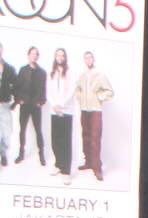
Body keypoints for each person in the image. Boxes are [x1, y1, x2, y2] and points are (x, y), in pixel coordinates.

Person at [74, 51, 114, 181]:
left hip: (95, 110)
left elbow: (110, 92)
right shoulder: (82, 75)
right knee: (85, 136)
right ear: (84, 60)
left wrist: (98, 97)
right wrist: (80, 98)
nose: (88, 60)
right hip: (84, 110)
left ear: (93, 59)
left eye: (90, 58)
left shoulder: (100, 75)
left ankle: (97, 168)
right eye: (86, 58)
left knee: (95, 138)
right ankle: (88, 162)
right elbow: (77, 89)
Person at [47, 48, 77, 185]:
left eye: (62, 55)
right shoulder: (51, 72)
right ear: (55, 57)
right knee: (55, 140)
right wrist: (54, 105)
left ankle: (66, 172)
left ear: (65, 58)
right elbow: (48, 91)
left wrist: (61, 105)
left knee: (65, 141)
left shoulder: (69, 72)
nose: (60, 57)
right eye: (58, 55)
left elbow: (71, 91)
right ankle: (58, 164)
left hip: (66, 111)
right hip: (54, 110)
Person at [13, 46, 45, 167]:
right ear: (28, 55)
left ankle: (41, 155)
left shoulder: (42, 72)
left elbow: (43, 90)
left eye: (36, 54)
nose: (34, 56)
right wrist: (19, 100)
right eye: (32, 54)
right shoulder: (23, 70)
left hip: (36, 106)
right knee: (22, 130)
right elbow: (16, 87)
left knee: (38, 130)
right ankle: (21, 154)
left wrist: (41, 102)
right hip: (25, 105)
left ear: (38, 56)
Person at [0, 44, 15, 167]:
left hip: (4, 104)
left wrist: (16, 101)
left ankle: (3, 153)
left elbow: (16, 85)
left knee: (6, 131)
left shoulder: (9, 68)